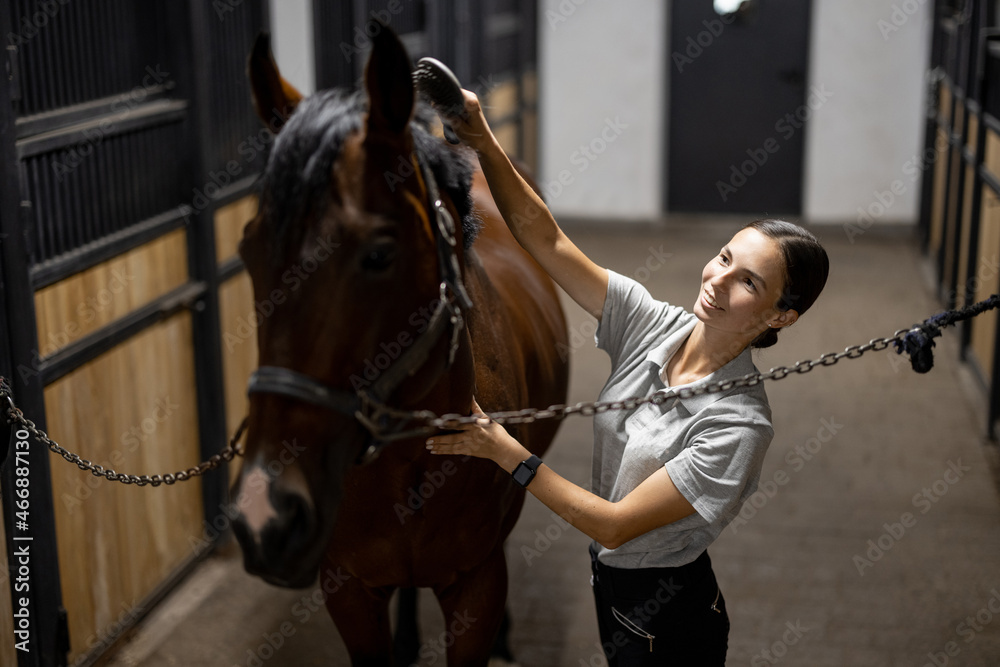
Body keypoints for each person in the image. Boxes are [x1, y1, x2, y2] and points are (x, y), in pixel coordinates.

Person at [424, 90, 829, 665]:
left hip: (668, 616)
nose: (717, 279)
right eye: (723, 257)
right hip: (611, 588)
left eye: (748, 283)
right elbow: (546, 238)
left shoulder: (738, 428)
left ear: (780, 316)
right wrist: (480, 134)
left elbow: (614, 526)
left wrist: (504, 451)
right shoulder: (654, 324)